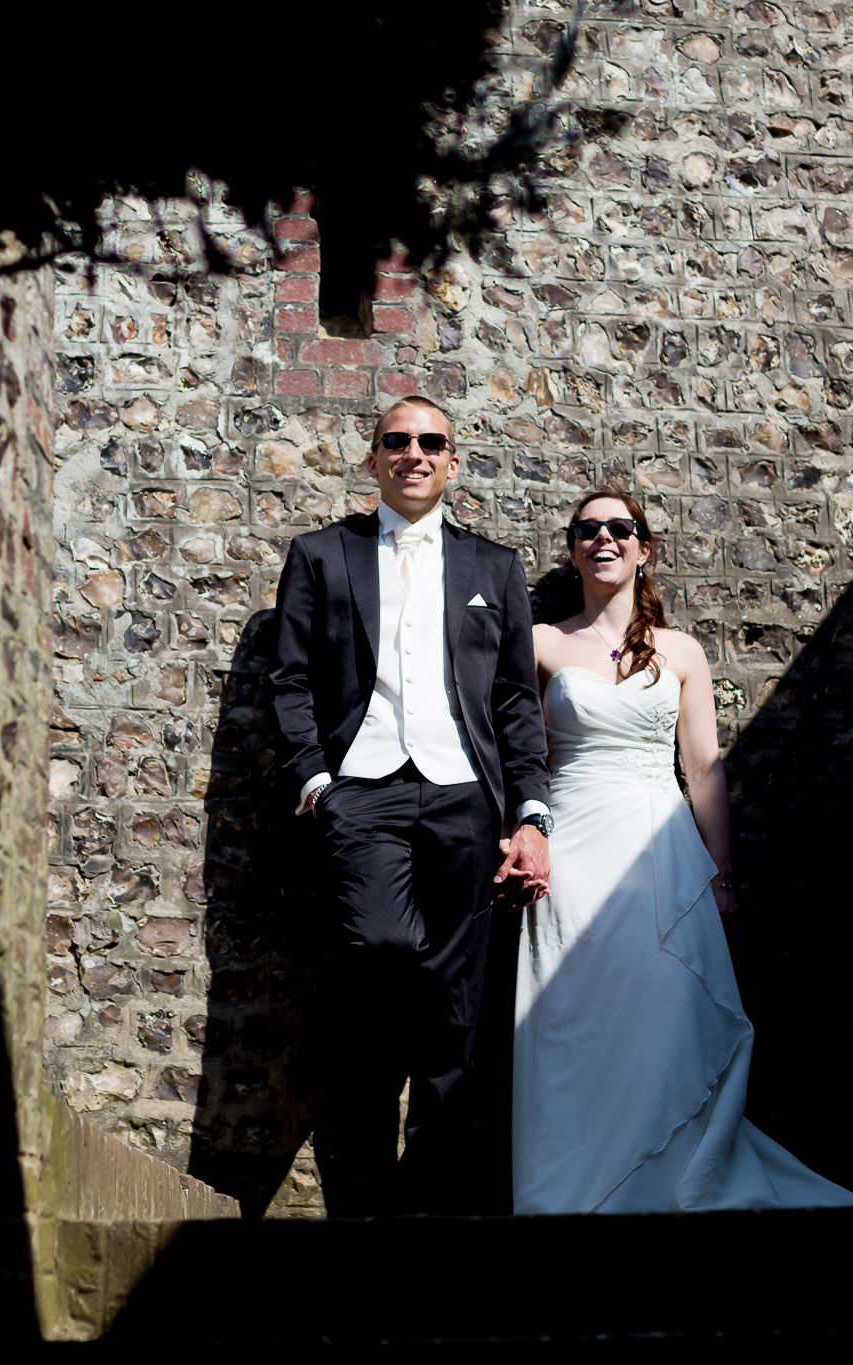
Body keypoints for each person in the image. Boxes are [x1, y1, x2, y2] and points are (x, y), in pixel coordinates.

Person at [513, 487, 853, 1214]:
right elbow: (515, 749)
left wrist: (721, 871)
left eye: (620, 527)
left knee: (663, 1013)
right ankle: (570, 1193)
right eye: (587, 529)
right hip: (575, 848)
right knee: (575, 1019)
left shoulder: (679, 651)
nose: (602, 538)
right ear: (573, 549)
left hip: (660, 852)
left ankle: (663, 1178)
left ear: (644, 548)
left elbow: (704, 765)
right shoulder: (542, 642)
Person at [270, 396, 553, 1216]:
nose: (414, 453)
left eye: (431, 442)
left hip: (466, 794)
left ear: (452, 462)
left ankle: (427, 1202)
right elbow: (289, 679)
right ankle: (362, 1182)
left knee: (458, 1002)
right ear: (373, 461)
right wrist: (318, 784)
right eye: (397, 441)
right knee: (384, 948)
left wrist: (529, 812)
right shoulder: (323, 555)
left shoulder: (492, 567)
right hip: (362, 793)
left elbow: (512, 701)